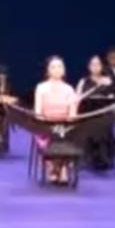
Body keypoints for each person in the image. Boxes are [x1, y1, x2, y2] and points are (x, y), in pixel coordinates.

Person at [34, 56, 79, 185]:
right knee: (51, 135)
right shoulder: (41, 88)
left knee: (68, 134)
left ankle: (61, 167)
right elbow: (38, 113)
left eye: (60, 66)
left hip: (65, 127)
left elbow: (72, 115)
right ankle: (55, 167)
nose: (57, 69)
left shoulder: (69, 89)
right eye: (53, 67)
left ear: (64, 70)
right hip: (45, 126)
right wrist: (48, 124)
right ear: (47, 71)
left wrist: (72, 110)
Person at [76, 55, 115, 170]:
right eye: (93, 64)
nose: (95, 67)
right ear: (89, 67)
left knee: (103, 125)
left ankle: (103, 159)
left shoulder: (108, 81)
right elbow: (77, 99)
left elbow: (112, 99)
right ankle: (91, 159)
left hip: (103, 115)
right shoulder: (83, 81)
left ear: (102, 66)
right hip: (86, 115)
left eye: (98, 64)